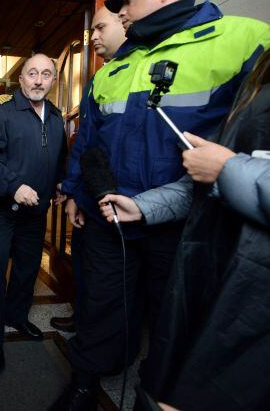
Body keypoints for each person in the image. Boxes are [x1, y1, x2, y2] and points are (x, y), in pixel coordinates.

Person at [55, 0, 270, 409]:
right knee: (99, 309)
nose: (123, 14)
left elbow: (251, 143)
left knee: (175, 321)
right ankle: (83, 383)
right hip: (108, 217)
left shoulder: (246, 40)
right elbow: (88, 140)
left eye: (127, 1)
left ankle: (151, 398)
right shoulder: (113, 67)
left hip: (185, 225)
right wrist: (76, 191)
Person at [98, 49, 270, 411]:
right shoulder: (261, 65)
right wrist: (143, 207)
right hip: (213, 268)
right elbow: (204, 181)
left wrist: (228, 169)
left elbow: (224, 167)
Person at [0, 53, 68, 374]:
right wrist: (14, 186)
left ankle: (17, 316)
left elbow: (59, 159)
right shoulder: (0, 110)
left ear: (54, 80)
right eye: (32, 73)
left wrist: (60, 184)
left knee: (27, 269)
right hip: (0, 210)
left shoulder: (55, 117)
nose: (39, 80)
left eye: (46, 74)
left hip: (35, 212)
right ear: (21, 78)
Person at [50, 5, 126, 333]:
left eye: (100, 28)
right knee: (84, 262)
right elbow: (86, 143)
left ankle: (99, 337)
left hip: (129, 199)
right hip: (92, 194)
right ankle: (82, 319)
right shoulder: (101, 77)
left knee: (112, 280)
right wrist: (73, 193)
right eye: (91, 29)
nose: (93, 36)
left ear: (126, 23)